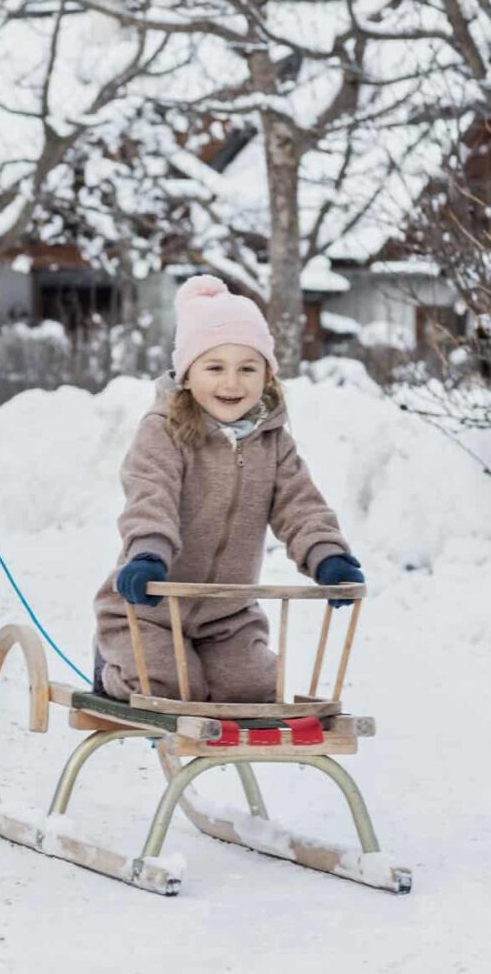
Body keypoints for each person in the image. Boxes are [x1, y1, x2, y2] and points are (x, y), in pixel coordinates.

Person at [94, 275, 365, 702]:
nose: (231, 384)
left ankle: (210, 669)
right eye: (215, 367)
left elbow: (300, 505)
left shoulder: (272, 442)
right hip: (150, 607)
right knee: (168, 686)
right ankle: (113, 671)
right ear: (187, 373)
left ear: (267, 376)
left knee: (256, 689)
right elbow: (151, 496)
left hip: (228, 613)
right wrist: (148, 554)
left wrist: (326, 555)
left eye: (247, 368)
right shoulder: (164, 432)